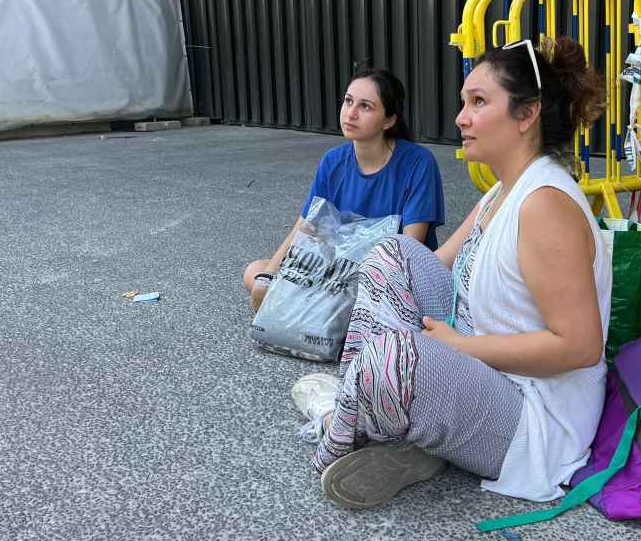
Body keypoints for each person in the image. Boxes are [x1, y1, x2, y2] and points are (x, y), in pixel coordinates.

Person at [292, 36, 610, 508]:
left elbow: (581, 347)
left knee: (393, 360)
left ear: (527, 115)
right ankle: (397, 418)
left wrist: (454, 348)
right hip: (485, 369)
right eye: (464, 102)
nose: (461, 118)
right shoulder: (501, 193)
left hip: (531, 419)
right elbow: (421, 269)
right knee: (391, 253)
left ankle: (352, 416)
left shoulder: (545, 204)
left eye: (478, 102)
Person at [243, 68, 445, 312]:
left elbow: (411, 247)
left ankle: (327, 312)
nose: (351, 113)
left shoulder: (418, 162)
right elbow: (306, 226)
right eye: (348, 101)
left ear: (389, 120)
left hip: (396, 279)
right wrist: (267, 279)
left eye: (365, 106)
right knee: (255, 272)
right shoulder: (333, 161)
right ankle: (331, 312)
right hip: (337, 273)